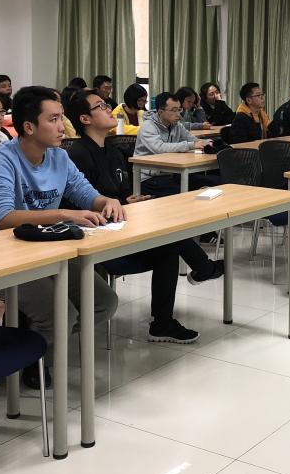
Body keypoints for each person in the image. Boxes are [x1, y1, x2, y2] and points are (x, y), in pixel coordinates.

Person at [0, 86, 124, 388]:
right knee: (60, 315)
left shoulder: (59, 156)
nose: (62, 126)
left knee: (104, 303)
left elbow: (85, 193)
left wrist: (107, 201)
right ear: (29, 127)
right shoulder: (1, 158)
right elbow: (4, 218)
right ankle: (36, 359)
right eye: (53, 119)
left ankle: (34, 343)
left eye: (61, 118)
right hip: (2, 254)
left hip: (47, 248)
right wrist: (64, 214)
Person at [66, 90, 217, 326]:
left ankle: (163, 323)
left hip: (121, 221)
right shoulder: (78, 155)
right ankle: (202, 268)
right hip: (98, 232)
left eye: (106, 104)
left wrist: (130, 201)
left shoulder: (112, 151)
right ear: (85, 119)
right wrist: (121, 204)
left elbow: (120, 194)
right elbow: (81, 203)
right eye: (100, 106)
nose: (109, 109)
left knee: (168, 238)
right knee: (168, 238)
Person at [133, 91, 213, 197]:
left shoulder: (176, 125)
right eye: (173, 110)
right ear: (161, 112)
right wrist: (190, 145)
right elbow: (160, 148)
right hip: (149, 178)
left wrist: (207, 143)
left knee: (213, 182)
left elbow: (192, 139)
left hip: (171, 172)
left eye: (179, 109)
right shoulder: (148, 126)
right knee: (187, 195)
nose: (178, 114)